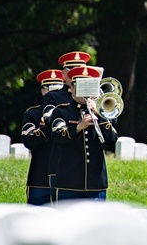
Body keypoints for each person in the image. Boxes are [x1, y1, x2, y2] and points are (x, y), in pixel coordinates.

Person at [49, 65, 118, 201]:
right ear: (72, 88)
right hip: (69, 183)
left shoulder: (101, 114)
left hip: (95, 184)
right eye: (81, 85)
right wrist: (79, 127)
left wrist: (99, 113)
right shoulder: (61, 111)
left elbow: (112, 139)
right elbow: (57, 135)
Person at [41, 50, 92, 202]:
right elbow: (49, 121)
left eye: (81, 70)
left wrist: (96, 108)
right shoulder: (54, 96)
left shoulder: (94, 97)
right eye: (73, 71)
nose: (79, 74)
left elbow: (111, 125)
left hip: (89, 170)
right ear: (64, 75)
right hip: (61, 162)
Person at [20, 69, 65, 205]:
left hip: (63, 177)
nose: (51, 93)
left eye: (56, 89)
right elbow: (28, 140)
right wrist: (49, 123)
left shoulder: (69, 112)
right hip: (39, 177)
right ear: (42, 91)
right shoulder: (33, 114)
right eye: (48, 88)